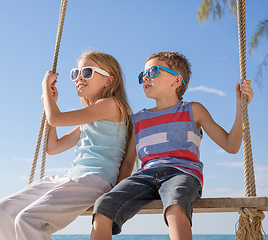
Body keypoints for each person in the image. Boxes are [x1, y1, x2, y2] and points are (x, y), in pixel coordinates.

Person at [90, 52, 253, 240]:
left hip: (183, 173)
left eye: (153, 71)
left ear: (176, 80)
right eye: (143, 74)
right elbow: (128, 163)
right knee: (103, 206)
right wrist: (118, 193)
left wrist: (241, 106)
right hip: (145, 176)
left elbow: (231, 146)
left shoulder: (193, 110)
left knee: (175, 205)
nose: (145, 78)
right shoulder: (137, 120)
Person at [0, 51, 134, 240]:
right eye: (76, 73)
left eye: (88, 72)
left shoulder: (111, 105)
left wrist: (45, 89)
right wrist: (50, 103)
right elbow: (54, 147)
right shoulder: (89, 118)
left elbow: (56, 118)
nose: (79, 78)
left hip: (96, 180)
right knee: (3, 209)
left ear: (109, 81)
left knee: (29, 219)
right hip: (73, 178)